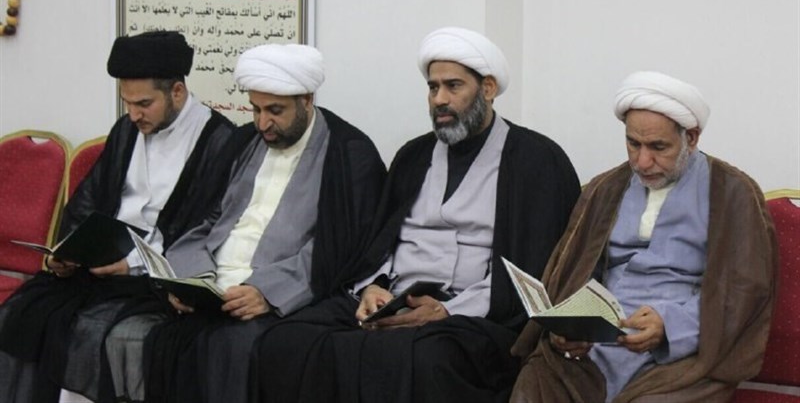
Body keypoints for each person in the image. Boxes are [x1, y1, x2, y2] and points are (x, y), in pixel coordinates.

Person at [250, 27, 581, 403]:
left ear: (488, 89)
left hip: (474, 316)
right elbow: (379, 242)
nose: (439, 99)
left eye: (453, 86)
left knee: (422, 358)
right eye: (432, 87)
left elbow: (532, 270)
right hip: (393, 297)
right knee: (285, 341)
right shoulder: (413, 156)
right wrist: (373, 287)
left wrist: (447, 310)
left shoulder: (536, 161)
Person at [104, 43, 386, 403]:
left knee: (232, 350)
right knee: (152, 337)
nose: (262, 123)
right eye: (255, 109)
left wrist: (267, 293)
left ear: (307, 100)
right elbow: (205, 220)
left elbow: (337, 248)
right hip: (213, 289)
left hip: (278, 296)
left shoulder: (349, 153)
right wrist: (189, 279)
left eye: (275, 111)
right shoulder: (244, 141)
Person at [510, 71, 777, 403]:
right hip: (596, 347)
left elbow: (742, 290)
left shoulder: (733, 191)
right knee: (536, 382)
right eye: (633, 144)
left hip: (682, 352)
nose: (642, 161)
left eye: (658, 147)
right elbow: (575, 270)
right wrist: (569, 330)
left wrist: (671, 326)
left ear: (692, 138)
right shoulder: (605, 188)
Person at [0, 30, 235, 402]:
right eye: (127, 103)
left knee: (95, 333)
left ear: (177, 92)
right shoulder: (127, 130)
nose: (134, 114)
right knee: (23, 312)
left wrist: (134, 264)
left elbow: (207, 229)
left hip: (157, 280)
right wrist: (66, 252)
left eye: (144, 103)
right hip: (98, 270)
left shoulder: (220, 142)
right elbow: (89, 199)